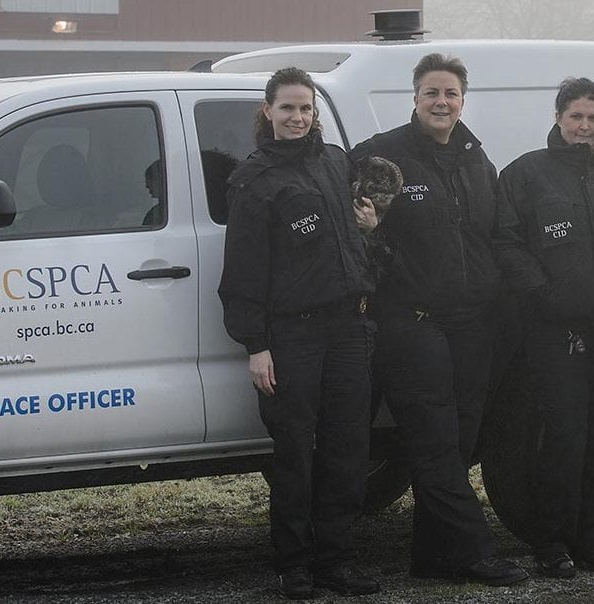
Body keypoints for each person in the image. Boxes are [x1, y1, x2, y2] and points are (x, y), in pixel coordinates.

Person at [347, 53, 528, 587]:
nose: (441, 102)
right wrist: (372, 227)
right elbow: (358, 228)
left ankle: (433, 555)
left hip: (474, 322)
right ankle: (474, 552)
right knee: (433, 440)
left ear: (463, 100)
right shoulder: (383, 157)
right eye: (431, 92)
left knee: (461, 442)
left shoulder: (476, 159)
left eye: (450, 93)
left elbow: (491, 234)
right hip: (411, 320)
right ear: (415, 97)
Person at [218, 67, 379, 599]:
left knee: (347, 448)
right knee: (295, 451)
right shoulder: (254, 180)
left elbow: (350, 241)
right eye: (287, 107)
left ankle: (337, 561)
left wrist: (371, 232)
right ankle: (294, 566)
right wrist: (256, 345)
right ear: (268, 111)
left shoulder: (335, 163)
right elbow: (243, 272)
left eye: (305, 108)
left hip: (348, 328)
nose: (297, 117)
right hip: (293, 336)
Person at [495, 77, 594, 579]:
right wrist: (544, 295)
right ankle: (552, 543)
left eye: (592, 118)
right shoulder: (525, 176)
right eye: (575, 116)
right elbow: (507, 244)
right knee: (563, 439)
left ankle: (593, 539)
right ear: (559, 117)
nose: (584, 126)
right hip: (556, 334)